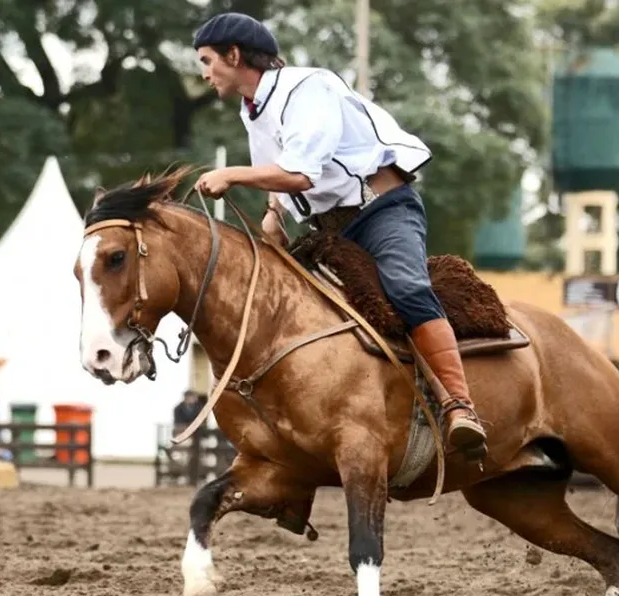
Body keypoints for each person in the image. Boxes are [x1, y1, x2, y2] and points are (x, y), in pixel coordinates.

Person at [190, 12, 486, 459]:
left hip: (384, 210)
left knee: (406, 289)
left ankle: (459, 407)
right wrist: (273, 212)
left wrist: (230, 175)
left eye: (207, 60)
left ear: (233, 55)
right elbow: (278, 169)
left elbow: (301, 173)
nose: (204, 73)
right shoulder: (252, 109)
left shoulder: (308, 88)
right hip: (330, 229)